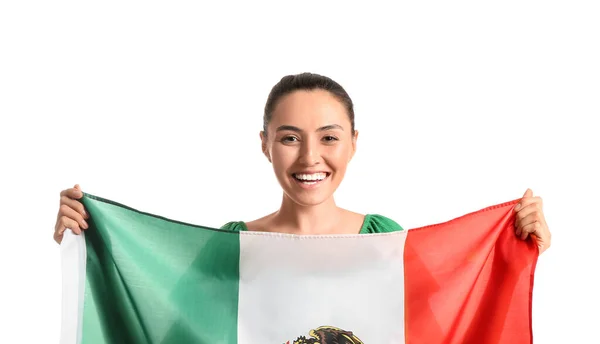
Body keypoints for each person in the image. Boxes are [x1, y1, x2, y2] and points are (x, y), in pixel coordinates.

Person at [52, 72, 551, 253]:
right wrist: (96, 240)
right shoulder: (233, 247)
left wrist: (514, 254)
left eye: (328, 137)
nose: (310, 157)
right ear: (264, 143)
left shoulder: (385, 240)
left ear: (353, 143)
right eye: (290, 138)